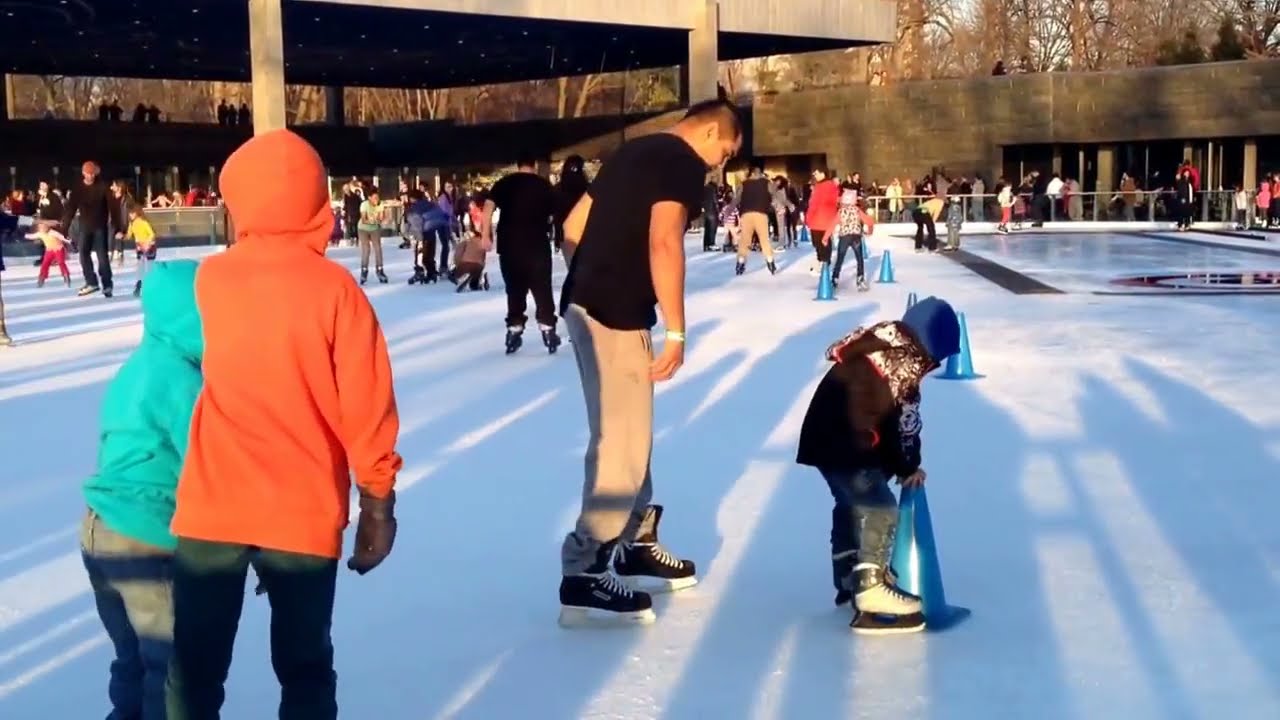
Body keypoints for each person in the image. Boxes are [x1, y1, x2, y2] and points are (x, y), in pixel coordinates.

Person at [165, 129, 402, 719]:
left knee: (194, 670)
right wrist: (377, 502)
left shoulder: (211, 279)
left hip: (214, 503)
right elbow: (366, 406)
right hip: (301, 507)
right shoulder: (337, 291)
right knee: (305, 668)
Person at [556, 97, 742, 627]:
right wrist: (677, 331)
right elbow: (664, 242)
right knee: (623, 442)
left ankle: (634, 539)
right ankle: (587, 568)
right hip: (611, 315)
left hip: (588, 304)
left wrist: (590, 276)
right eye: (725, 153)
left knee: (629, 433)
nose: (719, 166)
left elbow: (573, 225)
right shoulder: (682, 163)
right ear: (708, 135)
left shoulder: (632, 152)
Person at [81, 260, 204, 718]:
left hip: (99, 530)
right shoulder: (182, 380)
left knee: (131, 658)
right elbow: (204, 463)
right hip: (144, 536)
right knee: (167, 667)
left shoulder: (137, 366)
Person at [795, 296, 961, 634]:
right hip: (852, 444)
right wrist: (908, 465)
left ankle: (847, 575)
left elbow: (880, 414)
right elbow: (901, 423)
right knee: (879, 508)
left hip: (823, 440)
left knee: (850, 505)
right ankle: (871, 587)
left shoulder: (879, 342)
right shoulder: (906, 361)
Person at [482, 154, 560, 355]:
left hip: (509, 244)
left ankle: (514, 327)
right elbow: (555, 213)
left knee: (514, 288)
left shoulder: (504, 184)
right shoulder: (543, 186)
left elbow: (488, 208)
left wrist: (485, 235)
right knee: (542, 287)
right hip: (537, 243)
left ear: (518, 165)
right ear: (533, 166)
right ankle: (548, 328)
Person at [62, 161, 120, 297]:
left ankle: (107, 284)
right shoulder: (78, 189)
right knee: (83, 254)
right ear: (83, 173)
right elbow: (70, 209)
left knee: (102, 257)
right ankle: (91, 282)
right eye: (88, 174)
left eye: (92, 174)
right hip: (85, 227)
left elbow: (113, 208)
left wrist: (118, 227)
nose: (90, 176)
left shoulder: (103, 186)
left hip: (100, 227)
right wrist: (64, 227)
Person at [733, 163, 777, 276]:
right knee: (764, 240)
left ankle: (740, 263)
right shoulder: (766, 182)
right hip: (761, 214)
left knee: (744, 240)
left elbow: (737, 199)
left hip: (746, 214)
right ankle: (770, 262)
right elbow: (775, 195)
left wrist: (729, 209)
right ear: (760, 172)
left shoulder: (744, 184)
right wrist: (781, 205)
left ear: (751, 172)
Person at [831, 188, 873, 291]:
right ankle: (860, 279)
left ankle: (835, 279)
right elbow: (869, 222)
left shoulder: (841, 212)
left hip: (844, 236)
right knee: (859, 258)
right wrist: (870, 231)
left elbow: (832, 225)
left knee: (840, 258)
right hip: (856, 236)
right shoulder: (857, 211)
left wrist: (825, 237)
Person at [806, 167, 840, 273]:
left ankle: (822, 261)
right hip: (827, 219)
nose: (814, 175)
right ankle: (825, 261)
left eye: (816, 173)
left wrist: (808, 217)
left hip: (817, 219)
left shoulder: (820, 187)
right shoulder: (832, 186)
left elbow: (814, 203)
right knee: (825, 241)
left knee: (819, 242)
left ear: (823, 173)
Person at [26, 220, 72, 288]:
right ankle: (41, 279)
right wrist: (25, 235)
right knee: (45, 264)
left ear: (47, 227)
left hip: (58, 249)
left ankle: (66, 277)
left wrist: (69, 241)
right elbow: (32, 236)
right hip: (49, 250)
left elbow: (62, 237)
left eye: (43, 227)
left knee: (61, 262)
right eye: (40, 228)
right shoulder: (40, 233)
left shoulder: (53, 233)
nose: (42, 229)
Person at [357, 189, 388, 284]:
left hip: (374, 228)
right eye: (374, 198)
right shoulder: (364, 205)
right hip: (363, 228)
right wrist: (372, 220)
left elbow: (382, 217)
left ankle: (380, 270)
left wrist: (380, 219)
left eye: (377, 198)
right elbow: (363, 219)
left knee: (378, 248)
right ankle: (364, 270)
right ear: (369, 198)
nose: (376, 200)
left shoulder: (380, 204)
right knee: (366, 249)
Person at [127, 204, 158, 297]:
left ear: (137, 213)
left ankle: (151, 285)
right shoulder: (132, 224)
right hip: (140, 246)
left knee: (149, 266)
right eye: (129, 214)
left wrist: (147, 243)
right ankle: (139, 284)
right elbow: (129, 235)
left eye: (132, 213)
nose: (130, 215)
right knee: (140, 266)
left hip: (149, 246)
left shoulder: (144, 222)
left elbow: (152, 234)